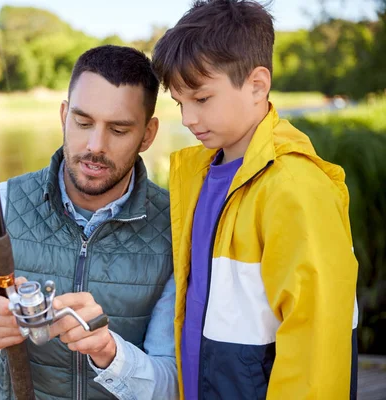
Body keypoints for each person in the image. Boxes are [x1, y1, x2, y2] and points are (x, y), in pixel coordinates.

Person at [0, 45, 178, 400]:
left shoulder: (176, 226)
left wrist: (109, 352)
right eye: (83, 122)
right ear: (64, 115)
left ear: (147, 134)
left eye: (119, 129)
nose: (95, 145)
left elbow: (173, 386)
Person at [151, 1, 359, 399]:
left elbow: (316, 345)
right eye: (180, 103)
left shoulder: (294, 187)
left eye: (202, 99)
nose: (188, 119)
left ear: (257, 85)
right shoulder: (199, 175)